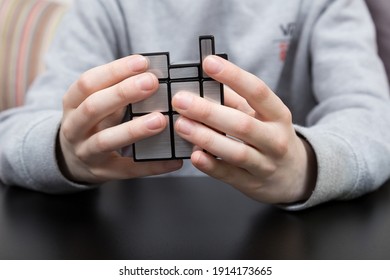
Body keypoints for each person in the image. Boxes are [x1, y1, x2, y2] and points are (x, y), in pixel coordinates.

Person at [1, 0, 390, 210]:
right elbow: (14, 135)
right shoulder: (106, 7)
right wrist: (65, 151)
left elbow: (373, 120)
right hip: (131, 245)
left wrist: (304, 167)